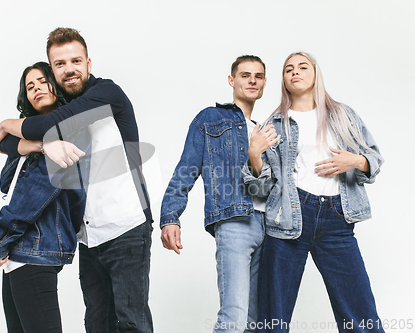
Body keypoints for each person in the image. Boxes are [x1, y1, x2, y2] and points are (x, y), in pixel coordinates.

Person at [0, 27, 153, 333]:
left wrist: (5, 124)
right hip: (88, 237)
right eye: (60, 64)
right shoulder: (64, 108)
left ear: (88, 63)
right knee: (95, 323)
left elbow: (42, 126)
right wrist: (39, 143)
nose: (69, 70)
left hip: (126, 226)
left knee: (132, 322)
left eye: (75, 61)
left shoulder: (105, 93)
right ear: (53, 70)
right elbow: (11, 147)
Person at [242, 52, 385, 332]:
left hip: (337, 219)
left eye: (302, 67)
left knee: (361, 316)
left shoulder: (342, 115)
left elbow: (374, 161)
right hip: (288, 221)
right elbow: (260, 190)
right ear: (283, 80)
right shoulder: (274, 124)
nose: (295, 72)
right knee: (273, 318)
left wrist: (354, 161)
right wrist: (254, 156)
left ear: (315, 73)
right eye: (288, 69)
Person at [160, 55, 279, 333]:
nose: (252, 80)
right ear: (232, 80)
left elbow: (273, 184)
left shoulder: (268, 132)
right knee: (233, 319)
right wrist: (170, 217)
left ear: (264, 84)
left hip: (271, 227)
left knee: (258, 322)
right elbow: (186, 169)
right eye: (245, 75)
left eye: (258, 76)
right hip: (235, 222)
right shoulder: (210, 119)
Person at [0, 61, 85, 333]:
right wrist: (36, 144)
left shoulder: (64, 135)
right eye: (30, 86)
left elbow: (30, 197)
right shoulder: (43, 142)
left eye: (42, 81)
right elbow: (6, 166)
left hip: (32, 251)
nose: (37, 88)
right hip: (21, 253)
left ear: (55, 84)